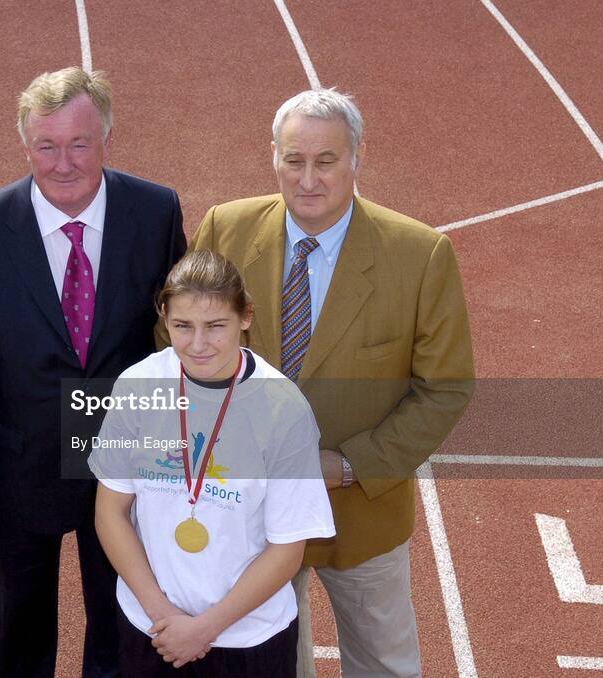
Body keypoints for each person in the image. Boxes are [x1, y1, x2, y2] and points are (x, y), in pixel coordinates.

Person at [185, 89, 474, 677]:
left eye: (326, 161)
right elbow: (178, 346)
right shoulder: (225, 229)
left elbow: (444, 388)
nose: (309, 179)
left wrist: (348, 465)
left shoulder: (420, 255)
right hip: (250, 512)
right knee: (269, 663)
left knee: (382, 664)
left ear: (356, 158)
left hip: (361, 511)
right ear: (273, 158)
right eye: (294, 160)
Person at [0, 66, 186, 677]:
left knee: (122, 619)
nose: (63, 163)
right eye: (46, 146)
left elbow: (179, 333)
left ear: (106, 137)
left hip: (126, 459)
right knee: (15, 628)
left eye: (79, 144)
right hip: (18, 463)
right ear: (25, 144)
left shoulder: (155, 212)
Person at [90, 250, 335, 677]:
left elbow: (287, 550)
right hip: (152, 630)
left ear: (245, 317)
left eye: (215, 326)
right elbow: (110, 513)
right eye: (183, 326)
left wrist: (204, 629)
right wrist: (162, 614)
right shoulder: (137, 385)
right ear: (164, 316)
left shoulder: (283, 410)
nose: (198, 344)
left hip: (249, 640)